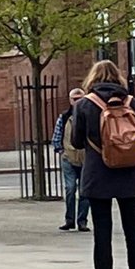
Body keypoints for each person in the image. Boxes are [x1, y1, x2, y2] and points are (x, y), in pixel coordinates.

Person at [71, 59, 135, 269]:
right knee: (134, 230)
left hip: (98, 174)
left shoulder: (85, 104)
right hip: (128, 174)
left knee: (102, 231)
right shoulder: (131, 102)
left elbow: (76, 141)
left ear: (92, 78)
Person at [51, 88, 89, 231]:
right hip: (68, 158)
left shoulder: (89, 116)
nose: (77, 102)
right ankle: (70, 219)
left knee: (84, 191)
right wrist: (61, 152)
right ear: (70, 100)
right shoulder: (64, 117)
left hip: (85, 159)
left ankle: (82, 221)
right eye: (75, 99)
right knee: (70, 188)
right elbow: (56, 138)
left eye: (80, 98)